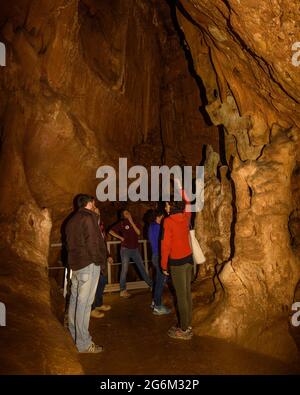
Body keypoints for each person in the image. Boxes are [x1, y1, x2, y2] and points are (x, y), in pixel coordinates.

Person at [66, 194, 107, 353]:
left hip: (76, 266)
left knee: (75, 301)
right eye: (94, 203)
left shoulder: (72, 220)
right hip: (88, 265)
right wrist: (99, 261)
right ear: (90, 203)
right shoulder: (89, 218)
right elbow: (93, 243)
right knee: (84, 305)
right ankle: (83, 343)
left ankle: (74, 333)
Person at [161, 180, 193, 340]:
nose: (165, 207)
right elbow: (188, 202)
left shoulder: (168, 221)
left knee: (181, 296)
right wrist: (181, 187)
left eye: (167, 205)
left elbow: (165, 244)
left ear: (172, 206)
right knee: (186, 293)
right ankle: (188, 324)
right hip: (188, 260)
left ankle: (185, 329)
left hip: (178, 263)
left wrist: (163, 264)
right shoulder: (186, 216)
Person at [109, 209, 152, 298]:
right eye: (125, 213)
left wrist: (131, 222)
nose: (127, 214)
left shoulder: (135, 222)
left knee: (142, 268)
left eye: (128, 212)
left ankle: (151, 285)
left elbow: (138, 233)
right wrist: (120, 237)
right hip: (125, 250)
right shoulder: (122, 223)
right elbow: (110, 231)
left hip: (135, 249)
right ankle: (123, 290)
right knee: (124, 270)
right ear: (123, 215)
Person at [90, 207, 113, 319]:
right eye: (95, 211)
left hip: (102, 257)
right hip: (93, 258)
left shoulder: (101, 224)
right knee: (93, 284)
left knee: (102, 281)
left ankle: (98, 304)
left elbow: (103, 242)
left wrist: (108, 255)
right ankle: (91, 308)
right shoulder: (89, 224)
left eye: (98, 211)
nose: (97, 212)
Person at [148, 209, 171, 315]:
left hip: (154, 255)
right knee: (160, 282)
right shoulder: (159, 228)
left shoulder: (151, 226)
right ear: (160, 217)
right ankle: (157, 306)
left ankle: (154, 302)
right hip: (159, 257)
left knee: (158, 281)